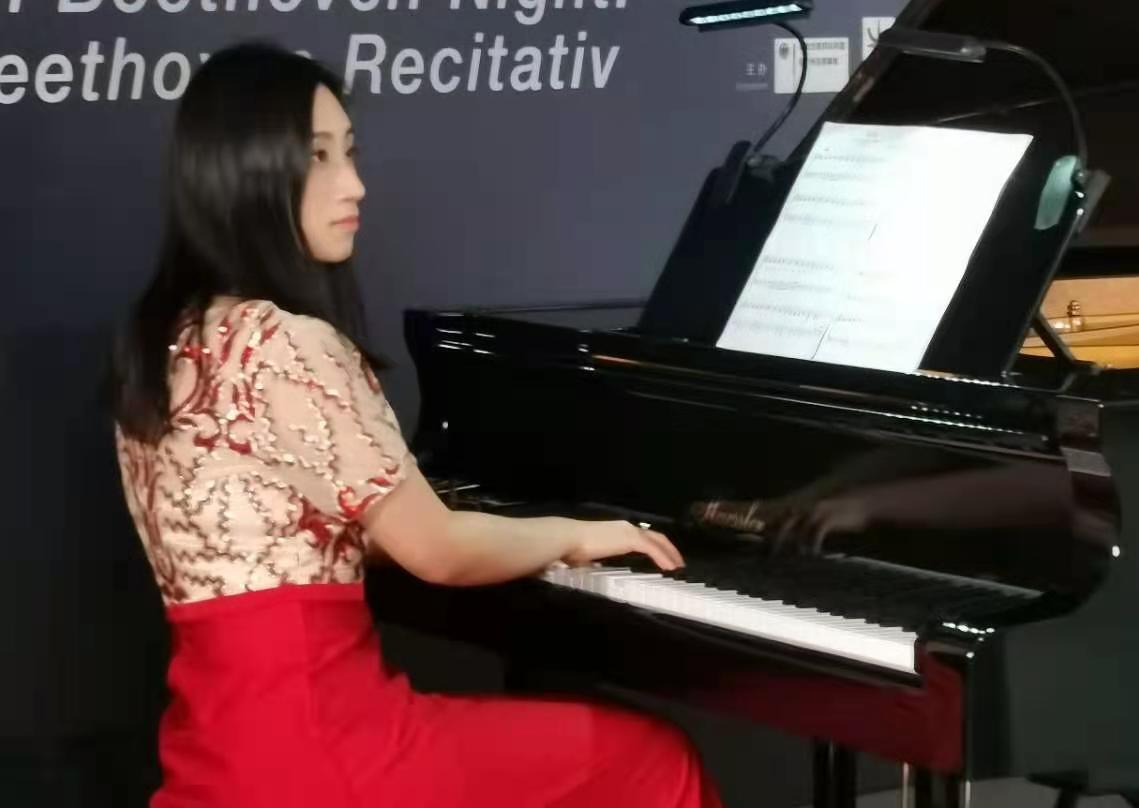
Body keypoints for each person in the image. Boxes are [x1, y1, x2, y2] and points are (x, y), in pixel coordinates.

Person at [110, 41, 724, 808]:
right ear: (247, 174)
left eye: (350, 152)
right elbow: (436, 551)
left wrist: (467, 526)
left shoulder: (166, 346)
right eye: (319, 157)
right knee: (654, 764)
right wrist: (572, 533)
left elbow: (287, 541)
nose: (354, 184)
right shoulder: (285, 342)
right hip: (330, 758)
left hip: (214, 761)